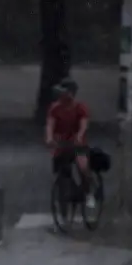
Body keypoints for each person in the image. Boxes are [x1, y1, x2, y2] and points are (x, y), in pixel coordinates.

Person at [45, 76, 95, 209]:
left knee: (82, 166)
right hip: (62, 143)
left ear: (71, 93)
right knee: (60, 168)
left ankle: (89, 193)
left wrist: (79, 135)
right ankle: (65, 192)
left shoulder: (80, 107)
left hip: (77, 143)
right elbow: (50, 124)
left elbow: (83, 124)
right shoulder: (55, 108)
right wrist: (49, 138)